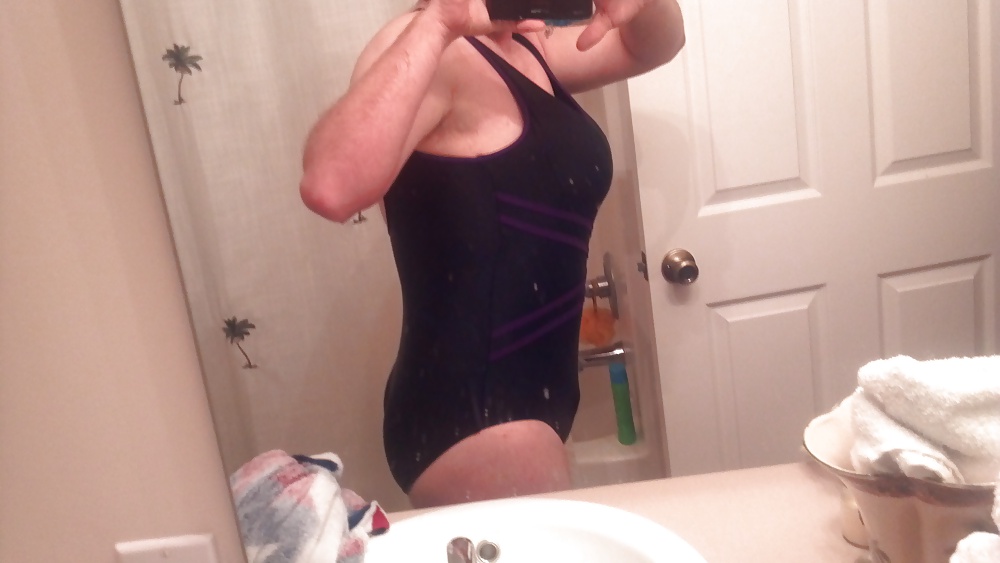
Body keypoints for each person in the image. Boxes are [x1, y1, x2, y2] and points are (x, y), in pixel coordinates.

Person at [299, 0, 685, 508]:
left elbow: (655, 45)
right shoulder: (430, 45)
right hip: (475, 416)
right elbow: (330, 185)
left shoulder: (527, 47)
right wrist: (440, 21)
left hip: (528, 407)